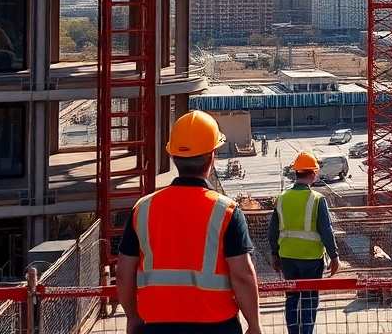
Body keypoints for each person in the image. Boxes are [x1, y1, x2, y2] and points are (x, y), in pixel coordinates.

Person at [116, 111, 263, 334]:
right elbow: (242, 275)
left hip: (157, 327)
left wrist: (132, 316)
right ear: (212, 156)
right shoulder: (226, 211)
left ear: (173, 157)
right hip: (216, 327)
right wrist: (254, 325)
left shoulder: (143, 209)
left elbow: (124, 272)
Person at [268, 152, 340, 334]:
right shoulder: (317, 199)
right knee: (309, 298)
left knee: (291, 297)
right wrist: (334, 256)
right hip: (311, 258)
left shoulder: (282, 198)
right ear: (313, 173)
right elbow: (326, 231)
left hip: (287, 257)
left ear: (296, 173)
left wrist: (275, 254)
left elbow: (273, 230)